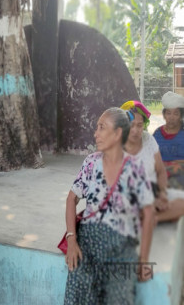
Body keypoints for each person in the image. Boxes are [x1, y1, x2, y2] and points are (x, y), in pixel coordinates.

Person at [64, 107, 154, 304]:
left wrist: (144, 259)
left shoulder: (135, 168)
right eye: (97, 127)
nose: (96, 133)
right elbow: (71, 199)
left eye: (102, 128)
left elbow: (149, 213)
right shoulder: (90, 163)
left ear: (118, 134)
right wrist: (72, 240)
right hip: (88, 245)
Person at [120, 101, 170, 218]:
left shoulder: (148, 139)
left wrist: (162, 194)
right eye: (131, 125)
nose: (135, 130)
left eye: (139, 125)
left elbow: (161, 171)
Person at [152, 91, 184, 222]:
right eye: (168, 113)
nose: (171, 117)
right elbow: (152, 160)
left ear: (181, 116)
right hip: (161, 174)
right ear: (164, 114)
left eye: (176, 113)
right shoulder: (157, 134)